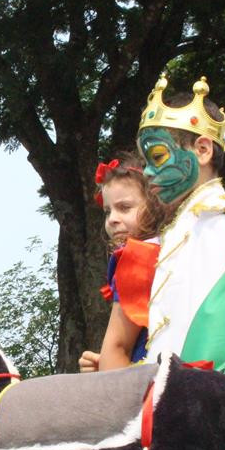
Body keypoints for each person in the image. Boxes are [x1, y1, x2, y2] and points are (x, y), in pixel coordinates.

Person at [135, 74, 225, 388]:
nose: (148, 172)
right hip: (169, 393)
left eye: (158, 156)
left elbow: (216, 330)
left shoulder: (220, 225)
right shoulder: (188, 225)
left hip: (195, 396)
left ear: (203, 150)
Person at [79, 154, 165, 372]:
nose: (112, 219)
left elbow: (117, 346)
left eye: (124, 207)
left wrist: (109, 362)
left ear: (155, 205)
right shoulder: (167, 250)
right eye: (108, 211)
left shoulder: (139, 258)